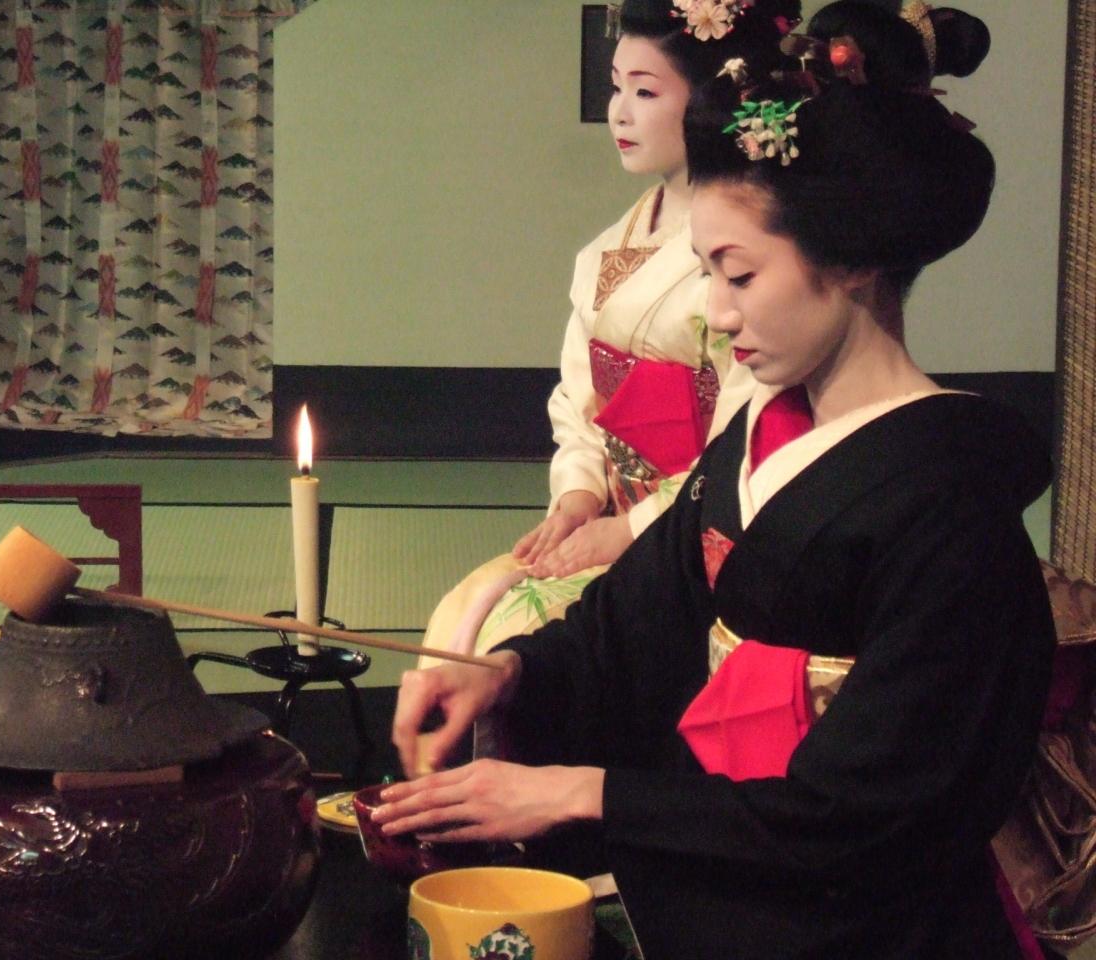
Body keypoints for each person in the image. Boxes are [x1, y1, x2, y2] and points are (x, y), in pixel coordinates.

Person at [377, 3, 1060, 957]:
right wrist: (508, 675)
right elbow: (634, 620)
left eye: (738, 276)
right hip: (721, 865)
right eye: (705, 273)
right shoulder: (754, 438)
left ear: (852, 262)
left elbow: (871, 812)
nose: (717, 312)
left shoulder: (950, 507)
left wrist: (582, 792)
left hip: (862, 922)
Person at [420, 0, 799, 667]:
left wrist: (631, 531)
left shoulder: (747, 263)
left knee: (522, 644)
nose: (619, 113)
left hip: (700, 536)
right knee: (470, 615)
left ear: (712, 96)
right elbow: (579, 401)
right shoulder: (603, 253)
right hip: (612, 517)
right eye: (616, 88)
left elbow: (747, 433)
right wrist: (578, 496)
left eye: (645, 92)